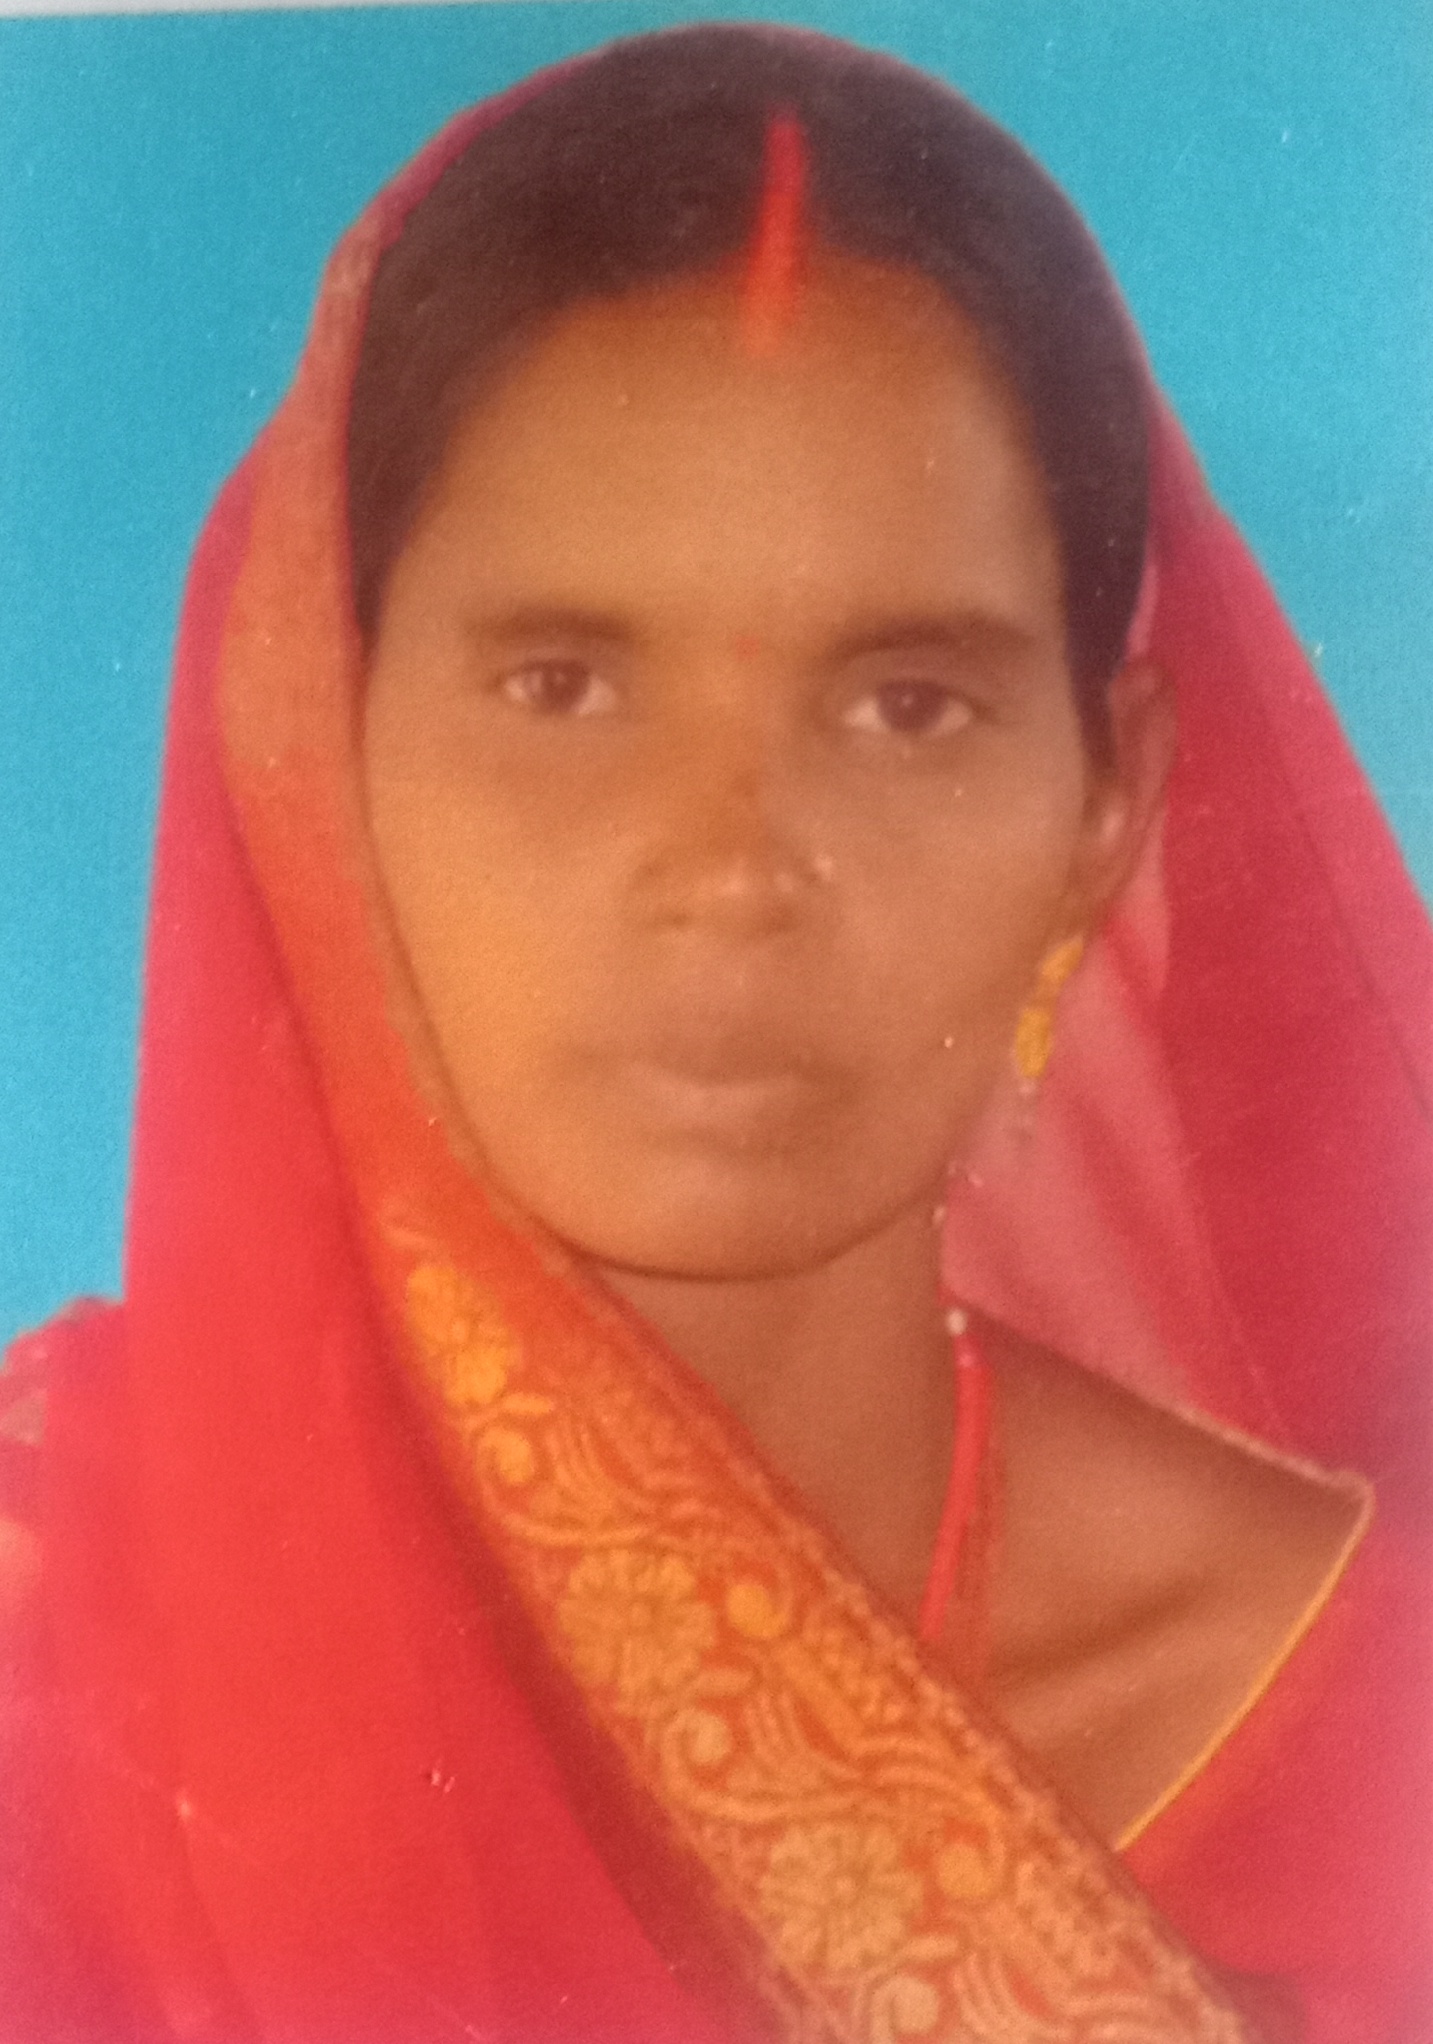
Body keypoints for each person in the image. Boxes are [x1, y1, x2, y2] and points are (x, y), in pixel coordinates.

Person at [3, 24, 1430, 2043]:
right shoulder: (54, 1636)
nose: (732, 869)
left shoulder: (1371, 1729)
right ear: (317, 740)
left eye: (906, 706)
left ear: (1105, 811)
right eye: (565, 687)